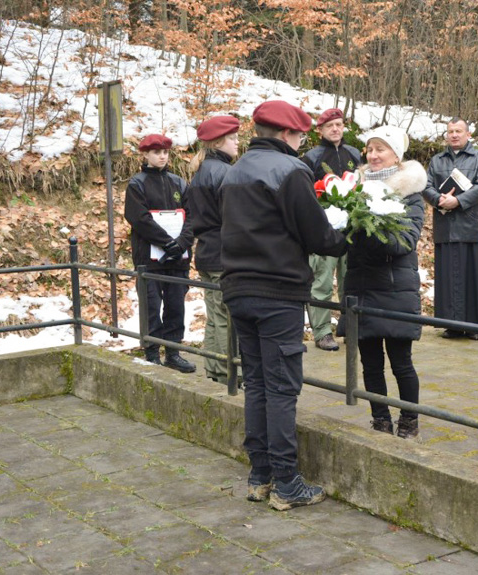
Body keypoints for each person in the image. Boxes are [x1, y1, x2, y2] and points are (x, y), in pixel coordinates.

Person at [220, 100, 347, 510]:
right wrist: (346, 234)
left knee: (256, 383)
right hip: (277, 292)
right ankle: (286, 481)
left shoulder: (234, 170)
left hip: (238, 289)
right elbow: (318, 237)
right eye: (298, 136)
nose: (299, 143)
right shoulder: (290, 170)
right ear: (289, 134)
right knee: (281, 388)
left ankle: (260, 475)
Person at [345, 125, 426, 439]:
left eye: (381, 149)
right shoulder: (354, 189)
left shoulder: (411, 193)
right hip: (360, 286)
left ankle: (410, 420)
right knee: (370, 363)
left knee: (401, 362)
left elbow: (404, 242)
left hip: (395, 288)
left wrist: (368, 225)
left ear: (397, 155)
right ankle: (380, 420)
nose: (374, 155)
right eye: (370, 149)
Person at [124, 134, 196, 373]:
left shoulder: (179, 182)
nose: (162, 156)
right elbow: (139, 218)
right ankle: (152, 352)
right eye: (156, 152)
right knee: (151, 305)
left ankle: (173, 352)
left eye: (165, 152)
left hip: (178, 258)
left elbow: (192, 215)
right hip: (149, 258)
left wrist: (181, 244)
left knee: (176, 304)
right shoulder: (137, 184)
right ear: (145, 154)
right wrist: (168, 243)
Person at [423, 118, 478, 340]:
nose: (454, 135)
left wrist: (459, 201)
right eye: (450, 131)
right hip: (445, 225)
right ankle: (451, 324)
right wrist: (439, 200)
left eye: (458, 131)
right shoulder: (437, 160)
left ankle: (476, 326)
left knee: (473, 276)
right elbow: (425, 186)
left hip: (470, 225)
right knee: (447, 277)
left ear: (468, 134)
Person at [301, 108, 363, 351]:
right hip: (324, 231)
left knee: (351, 280)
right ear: (321, 130)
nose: (335, 129)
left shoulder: (354, 154)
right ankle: (322, 331)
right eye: (330, 126)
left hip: (351, 228)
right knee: (323, 282)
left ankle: (349, 327)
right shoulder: (312, 157)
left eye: (339, 124)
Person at [188, 115, 240, 383]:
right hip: (222, 255)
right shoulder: (225, 173)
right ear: (218, 141)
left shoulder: (201, 172)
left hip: (207, 253)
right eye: (233, 138)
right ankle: (224, 371)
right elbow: (234, 217)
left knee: (214, 316)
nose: (238, 142)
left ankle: (213, 367)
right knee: (224, 318)